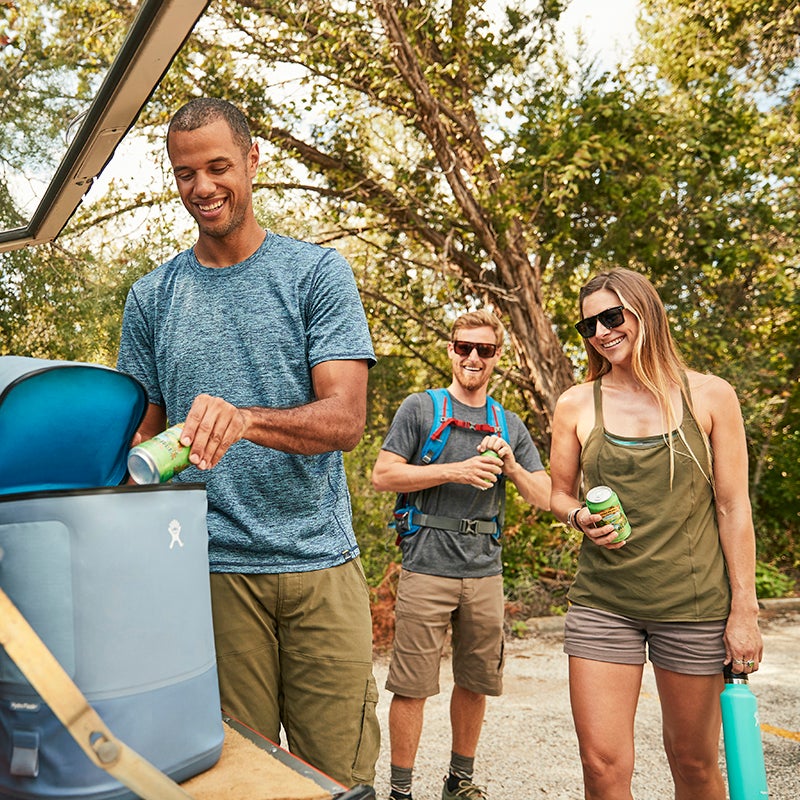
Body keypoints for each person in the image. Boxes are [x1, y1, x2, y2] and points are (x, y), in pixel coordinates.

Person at [116, 98, 380, 788]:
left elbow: (345, 420)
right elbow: (139, 441)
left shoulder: (316, 275)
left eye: (217, 167)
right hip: (211, 576)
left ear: (253, 161)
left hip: (319, 566)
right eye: (183, 174)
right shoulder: (151, 298)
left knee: (341, 777)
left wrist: (247, 419)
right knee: (240, 779)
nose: (201, 187)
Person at [549, 268, 763, 800]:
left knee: (693, 764)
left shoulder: (711, 396)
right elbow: (559, 494)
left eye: (612, 316)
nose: (601, 331)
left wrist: (745, 611)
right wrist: (579, 518)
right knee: (601, 766)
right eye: (589, 325)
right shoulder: (577, 402)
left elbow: (734, 507)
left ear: (646, 312)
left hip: (693, 607)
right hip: (604, 604)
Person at [371, 310, 551, 800]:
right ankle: (401, 792)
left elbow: (544, 494)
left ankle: (459, 782)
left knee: (474, 683)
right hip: (426, 567)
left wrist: (511, 465)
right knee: (412, 687)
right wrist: (454, 471)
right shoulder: (421, 409)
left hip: (484, 572)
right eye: (464, 347)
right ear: (450, 350)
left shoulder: (508, 423)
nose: (473, 357)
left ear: (496, 358)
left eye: (485, 350)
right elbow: (383, 475)